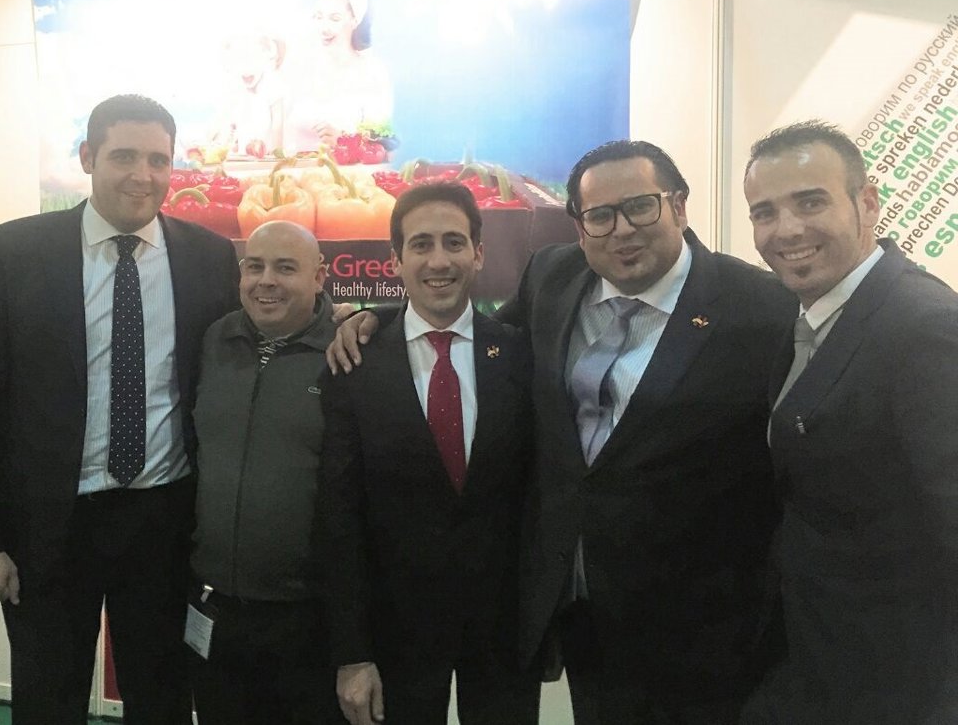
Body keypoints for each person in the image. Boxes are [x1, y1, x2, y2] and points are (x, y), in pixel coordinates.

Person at [330, 141, 796, 724]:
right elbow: (471, 337)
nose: (621, 229)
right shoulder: (554, 277)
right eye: (600, 215)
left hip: (701, 628)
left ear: (679, 206)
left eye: (640, 206)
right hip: (579, 611)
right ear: (579, 226)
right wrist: (378, 320)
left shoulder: (762, 308)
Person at [0, 94, 240, 725]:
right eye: (124, 156)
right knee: (47, 699)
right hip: (50, 525)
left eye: (158, 160)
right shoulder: (16, 251)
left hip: (165, 520)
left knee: (162, 699)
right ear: (87, 157)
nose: (143, 175)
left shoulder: (210, 257)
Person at [740, 121, 958, 724]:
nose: (787, 230)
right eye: (764, 212)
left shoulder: (925, 328)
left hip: (901, 685)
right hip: (816, 661)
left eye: (810, 202)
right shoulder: (807, 316)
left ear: (867, 203)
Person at [317, 182, 540, 725]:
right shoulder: (355, 364)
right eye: (421, 244)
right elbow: (339, 518)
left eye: (453, 242)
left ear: (478, 253)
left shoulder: (520, 354)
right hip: (395, 633)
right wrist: (351, 653)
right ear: (395, 260)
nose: (439, 260)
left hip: (503, 632)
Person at [187, 220, 344, 725]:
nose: (266, 281)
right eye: (254, 266)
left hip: (309, 616)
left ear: (319, 276)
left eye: (285, 268)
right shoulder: (214, 340)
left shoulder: (349, 351)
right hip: (215, 605)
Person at [283, 0, 393, 154]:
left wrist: (343, 140)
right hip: (297, 169)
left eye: (335, 19)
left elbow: (382, 143)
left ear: (355, 20)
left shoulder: (372, 71)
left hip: (347, 170)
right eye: (319, 17)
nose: (324, 28)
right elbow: (281, 135)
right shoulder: (299, 67)